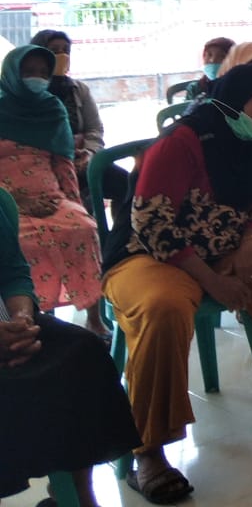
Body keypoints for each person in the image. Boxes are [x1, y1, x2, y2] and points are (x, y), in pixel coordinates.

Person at [102, 64, 252, 503]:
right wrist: (213, 280)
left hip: (223, 247)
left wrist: (251, 245)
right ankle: (149, 452)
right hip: (148, 254)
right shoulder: (182, 141)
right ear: (232, 94)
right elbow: (152, 222)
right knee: (163, 309)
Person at [1, 185, 142, 507]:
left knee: (83, 352)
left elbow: (12, 273)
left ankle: (78, 496)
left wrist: (23, 320)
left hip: (7, 322)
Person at [0, 45, 107, 338]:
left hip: (51, 197)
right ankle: (30, 318)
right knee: (21, 243)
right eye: (28, 72)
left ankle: (94, 318)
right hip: (6, 202)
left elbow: (63, 162)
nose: (36, 78)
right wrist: (14, 202)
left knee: (84, 229)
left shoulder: (51, 109)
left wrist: (71, 202)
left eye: (43, 73)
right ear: (12, 73)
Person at [29, 29, 123, 207]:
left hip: (83, 160)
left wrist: (89, 153)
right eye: (54, 51)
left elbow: (94, 129)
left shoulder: (78, 90)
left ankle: (122, 226)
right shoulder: (30, 91)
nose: (62, 56)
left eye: (66, 50)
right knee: (78, 204)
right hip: (48, 165)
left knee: (127, 185)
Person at [185, 36, 235, 103]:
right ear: (203, 57)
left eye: (222, 56)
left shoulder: (238, 87)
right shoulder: (194, 88)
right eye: (209, 55)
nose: (213, 60)